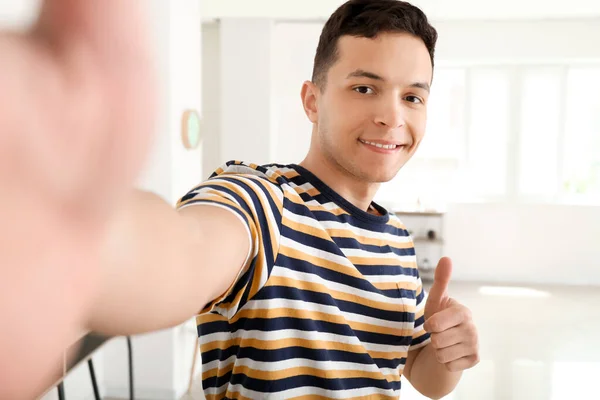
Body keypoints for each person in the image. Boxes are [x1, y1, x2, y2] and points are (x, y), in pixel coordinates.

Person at [1, 0, 480, 399]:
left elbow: (421, 374)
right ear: (313, 101)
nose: (391, 116)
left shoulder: (396, 240)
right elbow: (185, 251)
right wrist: (70, 237)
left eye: (412, 97)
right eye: (364, 88)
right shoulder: (264, 202)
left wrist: (445, 353)